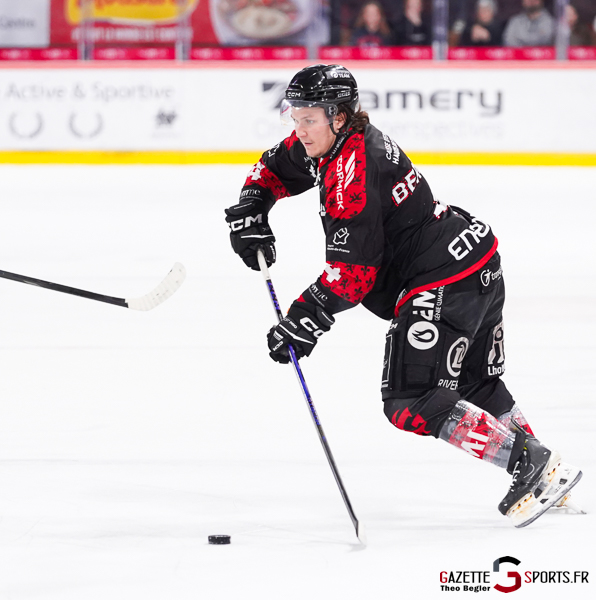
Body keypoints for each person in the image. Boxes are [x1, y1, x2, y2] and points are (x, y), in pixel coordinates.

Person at [224, 64, 582, 527]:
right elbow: (276, 165)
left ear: (338, 115)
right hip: (474, 259)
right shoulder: (336, 139)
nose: (299, 129)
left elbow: (353, 274)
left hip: (444, 281)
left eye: (308, 119)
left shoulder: (352, 175)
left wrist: (303, 317)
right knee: (476, 382)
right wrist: (252, 205)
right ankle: (548, 471)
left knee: (410, 401)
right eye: (294, 117)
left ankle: (529, 465)